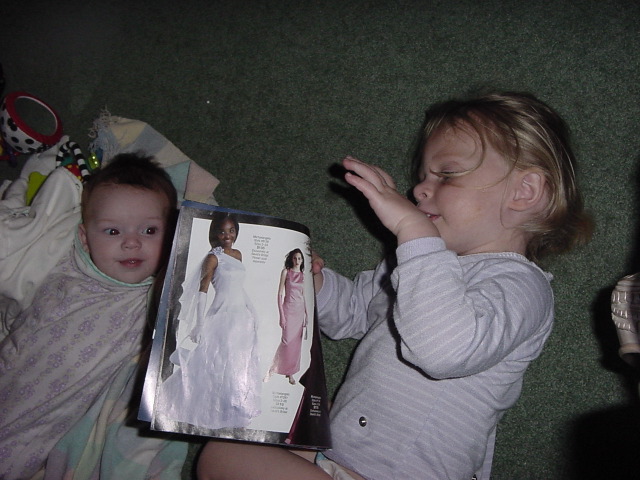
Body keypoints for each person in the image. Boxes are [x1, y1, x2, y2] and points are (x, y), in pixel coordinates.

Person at [196, 90, 593, 480]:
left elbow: (444, 353)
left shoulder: (521, 284)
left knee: (224, 458)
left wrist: (414, 231)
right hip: (342, 457)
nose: (419, 190)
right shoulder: (414, 265)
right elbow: (353, 313)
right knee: (233, 442)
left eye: (447, 174)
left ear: (524, 192)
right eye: (422, 177)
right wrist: (315, 284)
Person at [0, 152, 179, 480]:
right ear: (84, 237)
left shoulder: (156, 297)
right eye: (112, 232)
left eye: (150, 230)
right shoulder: (65, 267)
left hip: (44, 428)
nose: (131, 242)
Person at [157, 212, 262, 430]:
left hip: (241, 316)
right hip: (221, 316)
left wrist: (253, 312)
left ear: (236, 232)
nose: (227, 235)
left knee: (237, 363)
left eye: (231, 231)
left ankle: (231, 408)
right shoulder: (213, 258)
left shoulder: (238, 254)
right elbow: (203, 289)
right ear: (215, 233)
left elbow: (239, 288)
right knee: (215, 362)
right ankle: (198, 407)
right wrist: (199, 323)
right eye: (222, 231)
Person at [264, 248, 309, 385]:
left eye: (300, 259)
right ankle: (273, 368)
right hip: (288, 309)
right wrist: (282, 316)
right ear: (291, 259)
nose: (297, 261)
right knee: (286, 341)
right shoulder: (286, 272)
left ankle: (290, 373)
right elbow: (279, 294)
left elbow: (304, 295)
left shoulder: (303, 275)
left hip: (300, 311)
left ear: (302, 261)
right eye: (295, 258)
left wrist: (307, 315)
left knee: (296, 345)